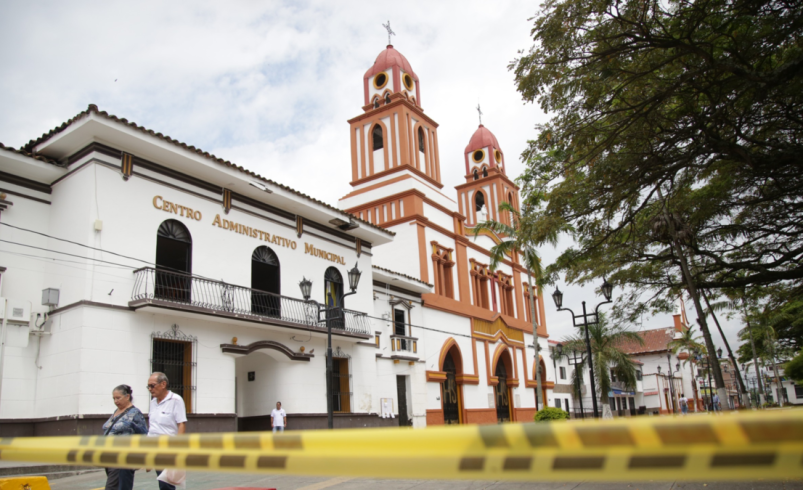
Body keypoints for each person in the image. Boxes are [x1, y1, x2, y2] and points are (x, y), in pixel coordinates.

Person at [102, 385, 148, 490]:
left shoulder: (135, 413)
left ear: (127, 396)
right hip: (109, 456)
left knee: (112, 487)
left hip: (122, 457)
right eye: (114, 398)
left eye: (118, 398)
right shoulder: (116, 411)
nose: (115, 401)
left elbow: (144, 434)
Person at [147, 372, 187, 490]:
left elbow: (181, 424)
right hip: (153, 446)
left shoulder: (176, 400)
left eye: (152, 386)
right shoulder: (153, 402)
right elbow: (152, 426)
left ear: (163, 384)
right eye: (148, 386)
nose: (150, 389)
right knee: (161, 480)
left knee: (167, 483)